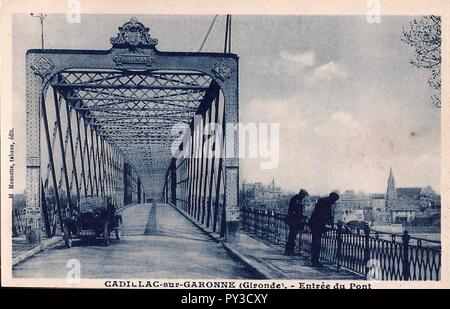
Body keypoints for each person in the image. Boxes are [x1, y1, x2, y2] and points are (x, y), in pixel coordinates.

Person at [308, 192, 340, 267]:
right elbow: (324, 215)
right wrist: (330, 223)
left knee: (316, 243)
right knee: (316, 244)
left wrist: (330, 222)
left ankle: (315, 260)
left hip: (315, 224)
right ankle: (315, 261)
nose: (334, 202)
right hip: (317, 225)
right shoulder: (325, 203)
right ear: (332, 198)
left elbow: (327, 215)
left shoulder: (323, 201)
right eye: (334, 200)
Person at [284, 189, 309, 256]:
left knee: (292, 236)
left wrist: (302, 216)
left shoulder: (296, 198)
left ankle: (289, 250)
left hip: (294, 220)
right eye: (304, 196)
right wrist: (302, 216)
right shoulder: (296, 200)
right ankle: (289, 251)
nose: (304, 197)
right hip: (294, 221)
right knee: (292, 236)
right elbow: (296, 211)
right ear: (301, 194)